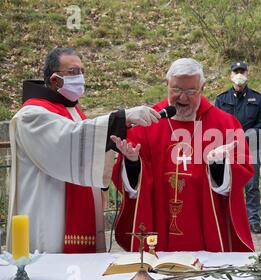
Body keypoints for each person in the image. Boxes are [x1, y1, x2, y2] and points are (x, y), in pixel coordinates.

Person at [7, 48, 160, 254]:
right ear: (54, 79)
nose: (79, 77)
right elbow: (68, 139)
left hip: (73, 211)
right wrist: (121, 118)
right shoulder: (31, 115)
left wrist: (114, 138)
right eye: (72, 72)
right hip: (49, 214)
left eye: (82, 71)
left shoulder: (74, 112)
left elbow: (84, 140)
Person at [111, 58, 255, 252]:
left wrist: (219, 164)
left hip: (208, 228)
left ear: (203, 88)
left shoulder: (225, 125)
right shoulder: (146, 122)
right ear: (167, 84)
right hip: (158, 225)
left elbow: (243, 173)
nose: (183, 98)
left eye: (191, 91)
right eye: (177, 90)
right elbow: (129, 187)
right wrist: (132, 163)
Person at [215, 62, 261, 234]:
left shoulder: (257, 98)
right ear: (231, 75)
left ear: (247, 73)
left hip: (251, 147)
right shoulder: (222, 99)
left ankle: (253, 220)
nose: (239, 75)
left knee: (252, 186)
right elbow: (216, 123)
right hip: (229, 148)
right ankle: (230, 220)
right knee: (229, 185)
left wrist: (246, 136)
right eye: (236, 72)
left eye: (242, 71)